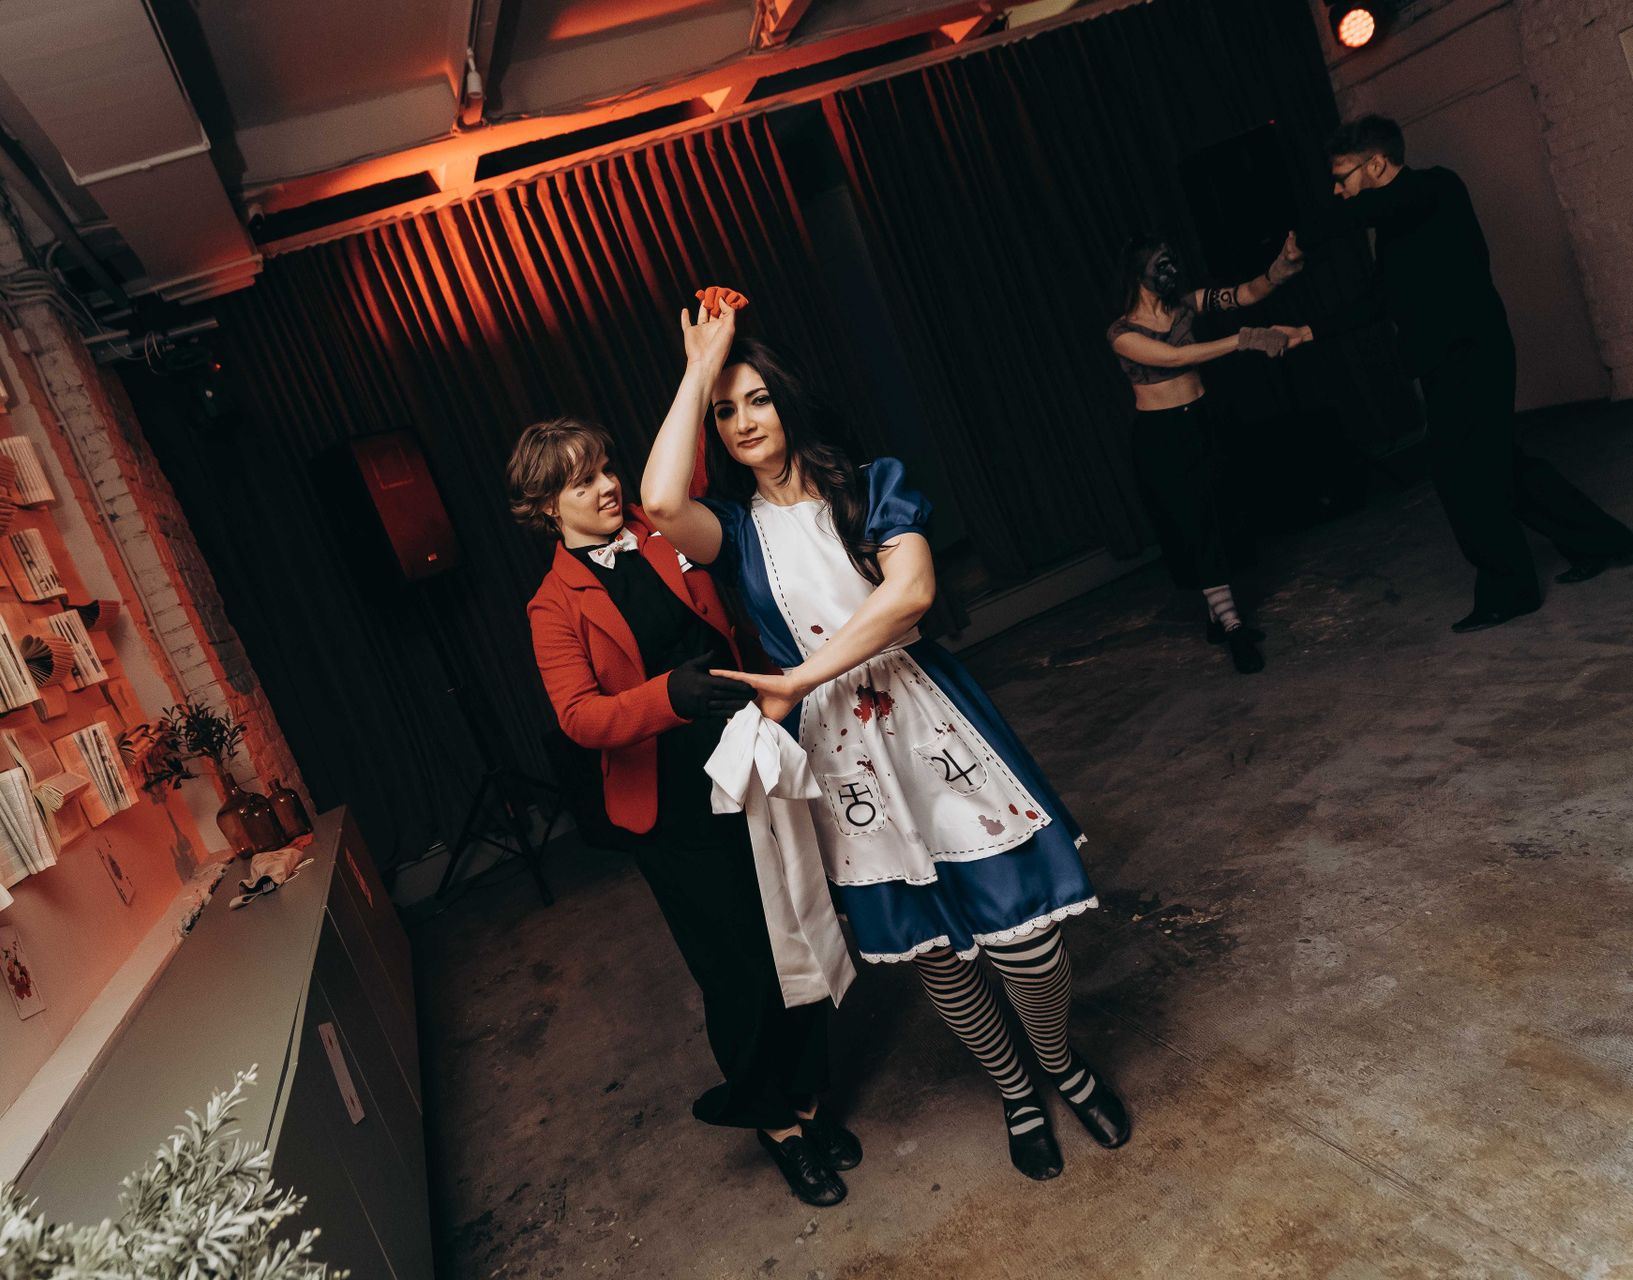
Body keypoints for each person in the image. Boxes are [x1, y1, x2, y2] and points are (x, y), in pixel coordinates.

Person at [641, 289, 1130, 1183]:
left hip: (927, 718)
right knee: (937, 950)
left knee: (1025, 936)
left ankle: (1062, 1063)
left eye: (758, 399)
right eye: (725, 410)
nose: (743, 421)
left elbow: (910, 597)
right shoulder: (734, 529)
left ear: (790, 401)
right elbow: (658, 497)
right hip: (842, 755)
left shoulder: (873, 485)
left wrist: (799, 678)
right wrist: (697, 368)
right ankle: (1017, 1093)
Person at [511, 416, 859, 1207]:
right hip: (670, 805)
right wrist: (668, 695)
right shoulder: (552, 605)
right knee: (738, 966)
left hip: (751, 758)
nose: (608, 486)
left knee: (797, 931)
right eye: (583, 482)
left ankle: (809, 1101)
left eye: (607, 467)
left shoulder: (661, 523)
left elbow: (693, 453)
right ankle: (776, 1123)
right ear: (546, 507)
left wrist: (702, 361)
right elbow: (579, 717)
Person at [1287, 115, 1633, 633]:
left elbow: (1368, 209)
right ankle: (1604, 543)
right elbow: (1379, 298)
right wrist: (1310, 330)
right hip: (1445, 362)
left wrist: (1303, 238)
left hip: (1473, 355)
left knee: (1462, 478)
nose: (1338, 190)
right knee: (1503, 467)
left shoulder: (1434, 188)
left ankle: (1509, 591)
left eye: (1342, 177)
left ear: (1376, 164)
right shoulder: (1393, 226)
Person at [1107, 233, 1309, 673]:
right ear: (1138, 272)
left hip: (1203, 423)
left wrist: (1279, 268)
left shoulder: (1186, 305)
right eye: (1161, 265)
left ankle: (1216, 618)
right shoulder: (1121, 334)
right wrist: (1244, 339)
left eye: (1172, 262)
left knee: (1217, 517)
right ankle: (1234, 627)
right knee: (1192, 524)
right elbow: (1174, 357)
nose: (1172, 271)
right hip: (1162, 439)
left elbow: (1245, 293)